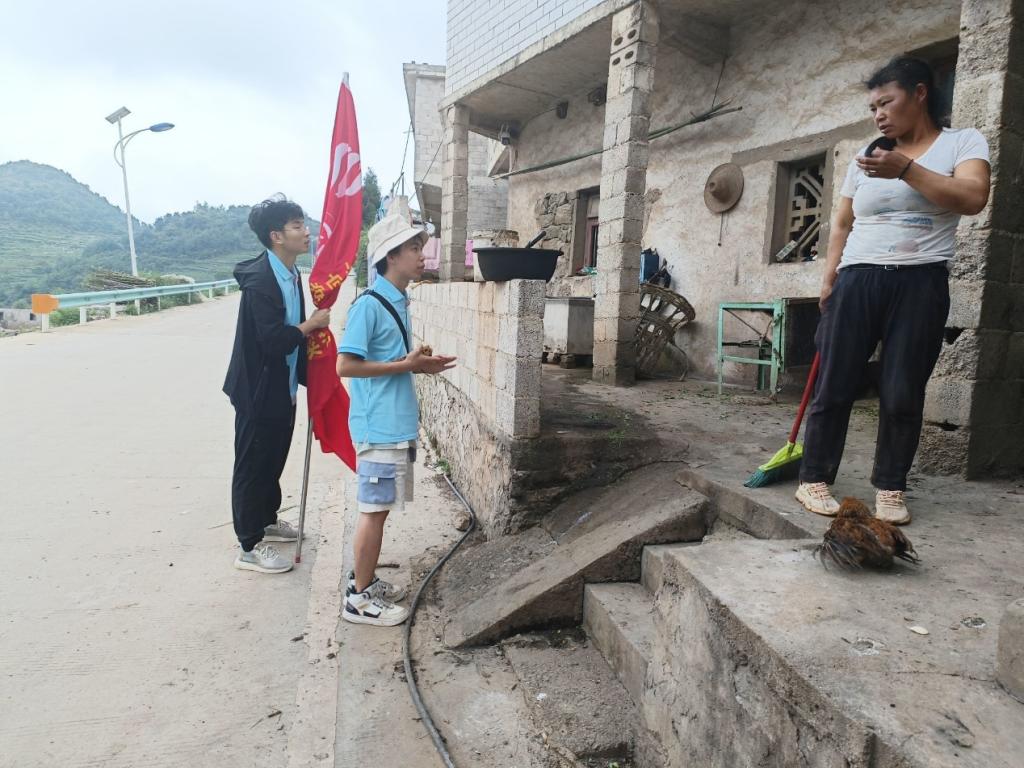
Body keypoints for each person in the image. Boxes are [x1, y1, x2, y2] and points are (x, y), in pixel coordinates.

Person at [796, 56, 991, 525]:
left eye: (887, 102)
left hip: (920, 281)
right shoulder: (868, 155)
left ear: (920, 93)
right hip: (858, 277)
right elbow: (842, 222)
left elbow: (973, 198)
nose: (879, 115)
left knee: (903, 389)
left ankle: (890, 487)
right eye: (873, 108)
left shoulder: (962, 142)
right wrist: (829, 278)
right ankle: (813, 478)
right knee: (835, 382)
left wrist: (906, 169)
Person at [336, 209, 456, 626]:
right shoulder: (369, 306)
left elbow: (391, 361)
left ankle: (365, 582)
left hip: (395, 425)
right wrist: (407, 364)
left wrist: (417, 365)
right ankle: (358, 601)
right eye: (413, 248)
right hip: (379, 427)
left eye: (421, 247)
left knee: (381, 509)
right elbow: (345, 366)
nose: (422, 255)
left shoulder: (397, 300)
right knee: (373, 511)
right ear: (390, 256)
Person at [223, 195, 331, 573]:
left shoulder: (291, 273)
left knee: (273, 459)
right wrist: (311, 325)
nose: (307, 232)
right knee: (253, 465)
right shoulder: (261, 281)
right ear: (277, 236)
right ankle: (248, 546)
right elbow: (272, 340)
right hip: (257, 390)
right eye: (297, 226)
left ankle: (267, 520)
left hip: (282, 387)